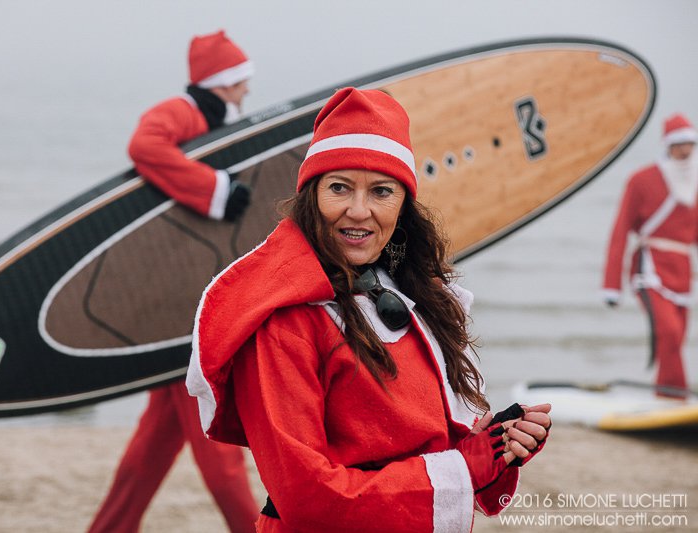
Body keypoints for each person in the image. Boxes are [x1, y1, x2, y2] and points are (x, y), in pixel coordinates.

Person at [187, 87, 552, 531]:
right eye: (339, 188)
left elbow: (424, 438)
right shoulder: (284, 320)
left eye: (381, 191)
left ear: (403, 206)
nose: (358, 212)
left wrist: (495, 443)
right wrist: (465, 467)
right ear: (311, 196)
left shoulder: (414, 294)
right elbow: (306, 495)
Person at [88, 30, 259, 533]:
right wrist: (216, 192)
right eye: (241, 82)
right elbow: (144, 144)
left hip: (181, 309)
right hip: (184, 318)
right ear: (223, 83)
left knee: (149, 453)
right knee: (221, 459)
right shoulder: (185, 111)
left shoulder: (211, 120)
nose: (247, 92)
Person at [603, 113, 698, 399]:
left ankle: (664, 395)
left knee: (675, 339)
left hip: (682, 271)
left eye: (690, 144)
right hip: (650, 269)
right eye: (679, 143)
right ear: (668, 145)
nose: (685, 150)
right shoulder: (641, 180)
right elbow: (620, 231)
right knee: (667, 332)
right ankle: (677, 396)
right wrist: (611, 286)